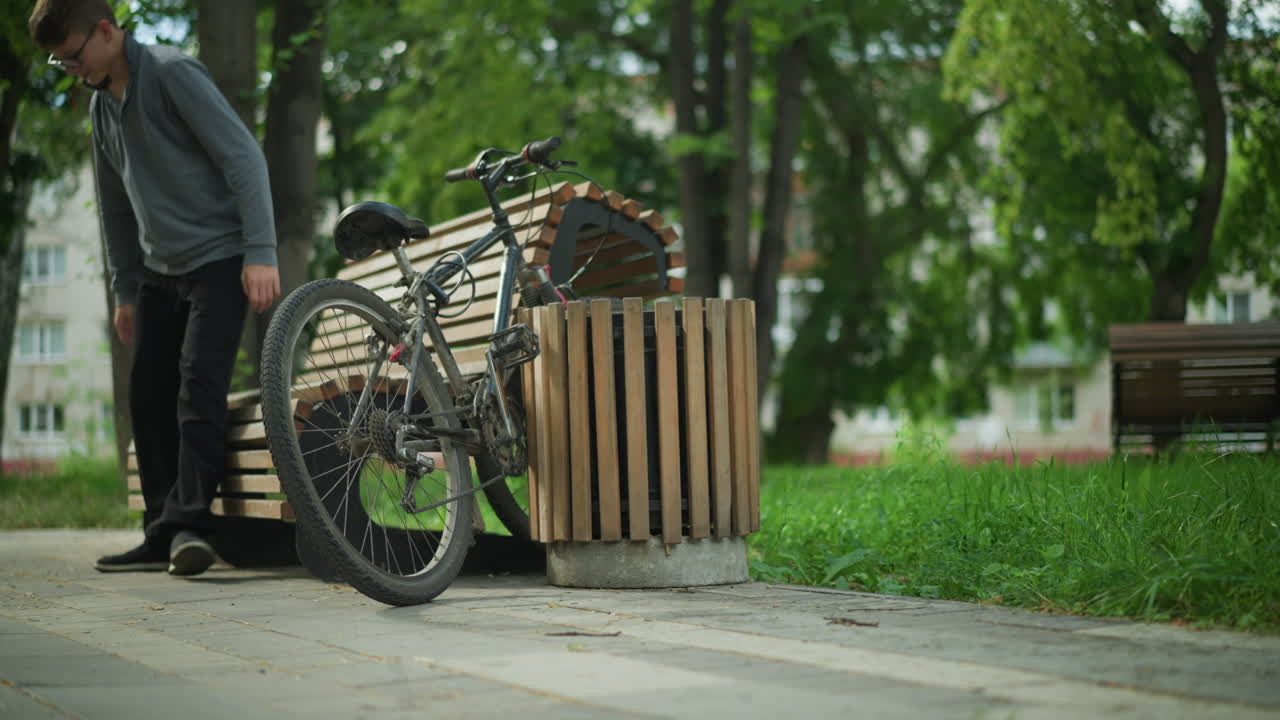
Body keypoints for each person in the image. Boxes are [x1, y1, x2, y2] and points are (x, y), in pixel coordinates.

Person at [30, 0, 281, 576]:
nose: (71, 70)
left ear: (106, 31)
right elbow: (115, 210)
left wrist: (261, 252)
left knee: (198, 383)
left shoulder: (170, 74)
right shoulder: (101, 110)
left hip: (220, 260)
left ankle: (189, 525)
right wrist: (124, 290)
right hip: (157, 273)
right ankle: (160, 532)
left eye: (73, 57)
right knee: (146, 393)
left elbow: (244, 157)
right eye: (58, 63)